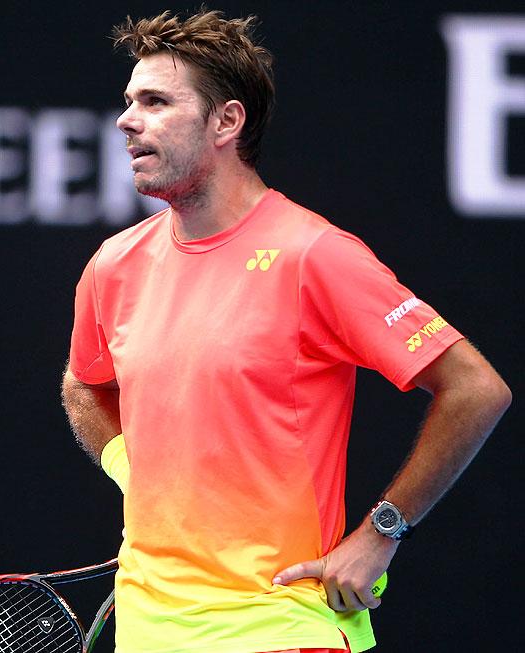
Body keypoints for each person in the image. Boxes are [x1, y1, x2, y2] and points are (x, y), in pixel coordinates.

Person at [62, 9, 511, 653]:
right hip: (147, 630)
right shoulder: (114, 265)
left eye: (156, 102)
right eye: (129, 101)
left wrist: (381, 532)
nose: (127, 120)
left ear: (227, 121)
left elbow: (476, 388)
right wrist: (138, 470)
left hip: (280, 626)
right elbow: (85, 385)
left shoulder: (314, 255)